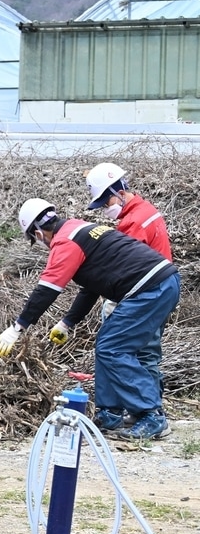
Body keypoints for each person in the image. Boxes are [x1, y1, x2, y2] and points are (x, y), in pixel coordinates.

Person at [0, 199, 179, 441]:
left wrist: (17, 328)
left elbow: (47, 290)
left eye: (36, 239)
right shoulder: (79, 228)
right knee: (108, 345)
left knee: (112, 348)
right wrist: (67, 322)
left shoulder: (65, 242)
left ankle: (151, 416)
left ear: (38, 233)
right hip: (159, 284)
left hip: (151, 289)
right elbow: (91, 287)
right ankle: (110, 414)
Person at [86, 162, 174, 426]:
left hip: (141, 295)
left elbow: (123, 267)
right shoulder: (147, 211)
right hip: (157, 292)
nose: (105, 208)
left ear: (119, 190)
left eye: (106, 201)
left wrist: (113, 302)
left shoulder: (133, 222)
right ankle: (146, 410)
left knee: (120, 351)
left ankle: (146, 414)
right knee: (146, 352)